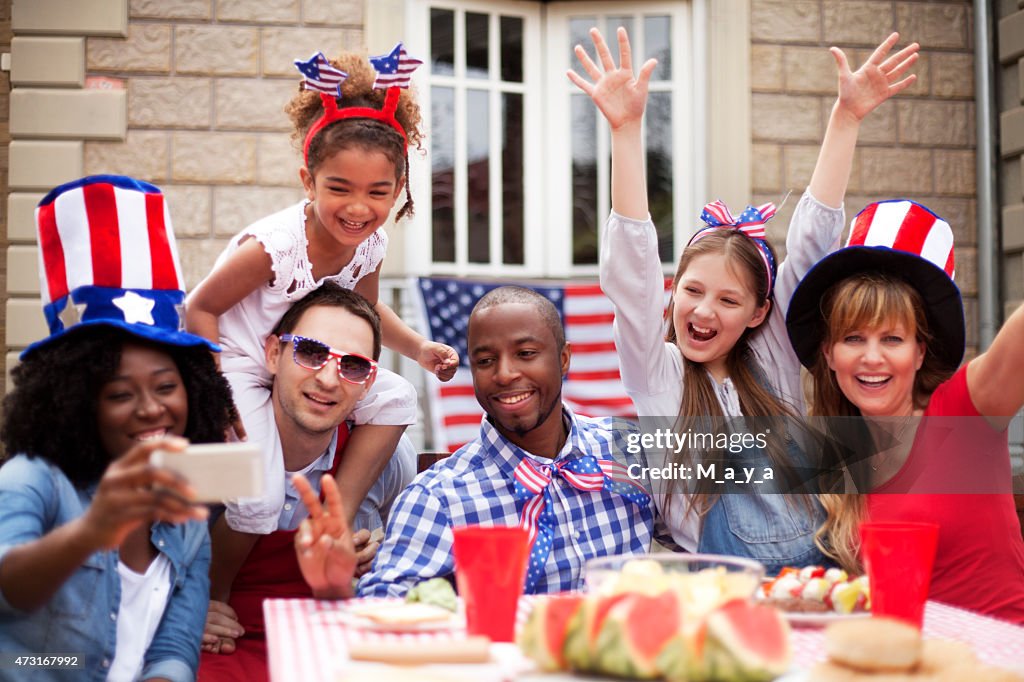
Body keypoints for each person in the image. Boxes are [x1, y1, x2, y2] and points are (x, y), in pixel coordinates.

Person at [573, 27, 919, 572]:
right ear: (671, 296)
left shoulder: (774, 360)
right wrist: (625, 131)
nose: (705, 310)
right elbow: (634, 275)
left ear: (760, 313)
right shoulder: (655, 375)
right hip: (721, 590)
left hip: (817, 579)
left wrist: (845, 120)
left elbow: (809, 249)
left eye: (729, 301)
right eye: (692, 291)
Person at [184, 45, 458, 600]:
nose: (359, 206)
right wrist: (212, 392)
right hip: (239, 361)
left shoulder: (371, 241)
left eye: (379, 192)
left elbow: (365, 312)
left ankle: (340, 515)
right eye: (340, 188)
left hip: (308, 355)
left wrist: (419, 347)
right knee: (257, 500)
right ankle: (214, 594)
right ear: (308, 180)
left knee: (399, 397)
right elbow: (200, 307)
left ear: (399, 190)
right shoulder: (275, 247)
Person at [0, 176, 236, 682]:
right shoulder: (31, 479)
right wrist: (91, 531)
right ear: (74, 400)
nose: (152, 410)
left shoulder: (187, 504)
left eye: (166, 386)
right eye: (119, 394)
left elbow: (173, 646)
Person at [786, 199, 1024, 623]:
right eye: (853, 338)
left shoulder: (966, 410)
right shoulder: (834, 455)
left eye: (892, 339)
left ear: (920, 352)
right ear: (829, 353)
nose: (871, 358)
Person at [358, 286, 657, 597]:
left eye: (525, 354)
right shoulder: (439, 497)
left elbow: (703, 529)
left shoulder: (631, 448)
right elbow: (382, 607)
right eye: (485, 361)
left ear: (564, 359)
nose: (504, 374)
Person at [198, 284, 413, 680]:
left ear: (368, 383)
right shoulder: (206, 448)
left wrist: (370, 557)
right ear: (274, 354)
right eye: (311, 352)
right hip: (218, 647)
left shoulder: (386, 459)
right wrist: (181, 608)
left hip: (329, 649)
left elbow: (395, 569)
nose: (329, 379)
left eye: (353, 365)